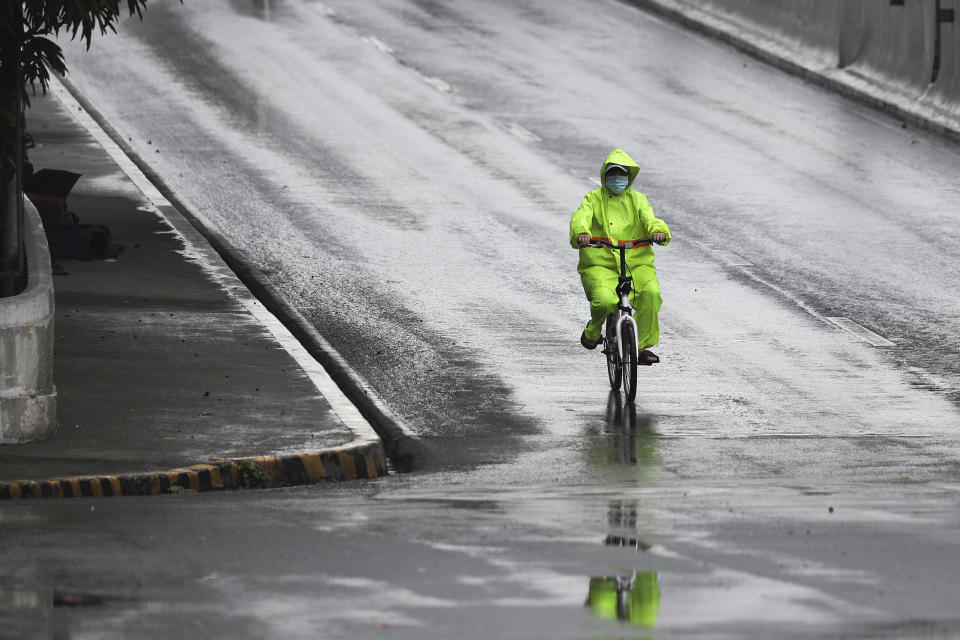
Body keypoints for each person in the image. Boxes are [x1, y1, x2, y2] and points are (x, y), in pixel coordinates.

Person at [569, 148, 671, 364]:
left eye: (622, 174)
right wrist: (582, 234)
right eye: (613, 174)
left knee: (651, 293)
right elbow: (581, 218)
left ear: (629, 177)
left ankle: (641, 346)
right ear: (605, 177)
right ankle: (594, 330)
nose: (618, 179)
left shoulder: (638, 200)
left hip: (636, 263)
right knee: (605, 301)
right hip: (601, 264)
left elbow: (650, 219)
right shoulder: (593, 199)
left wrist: (658, 232)